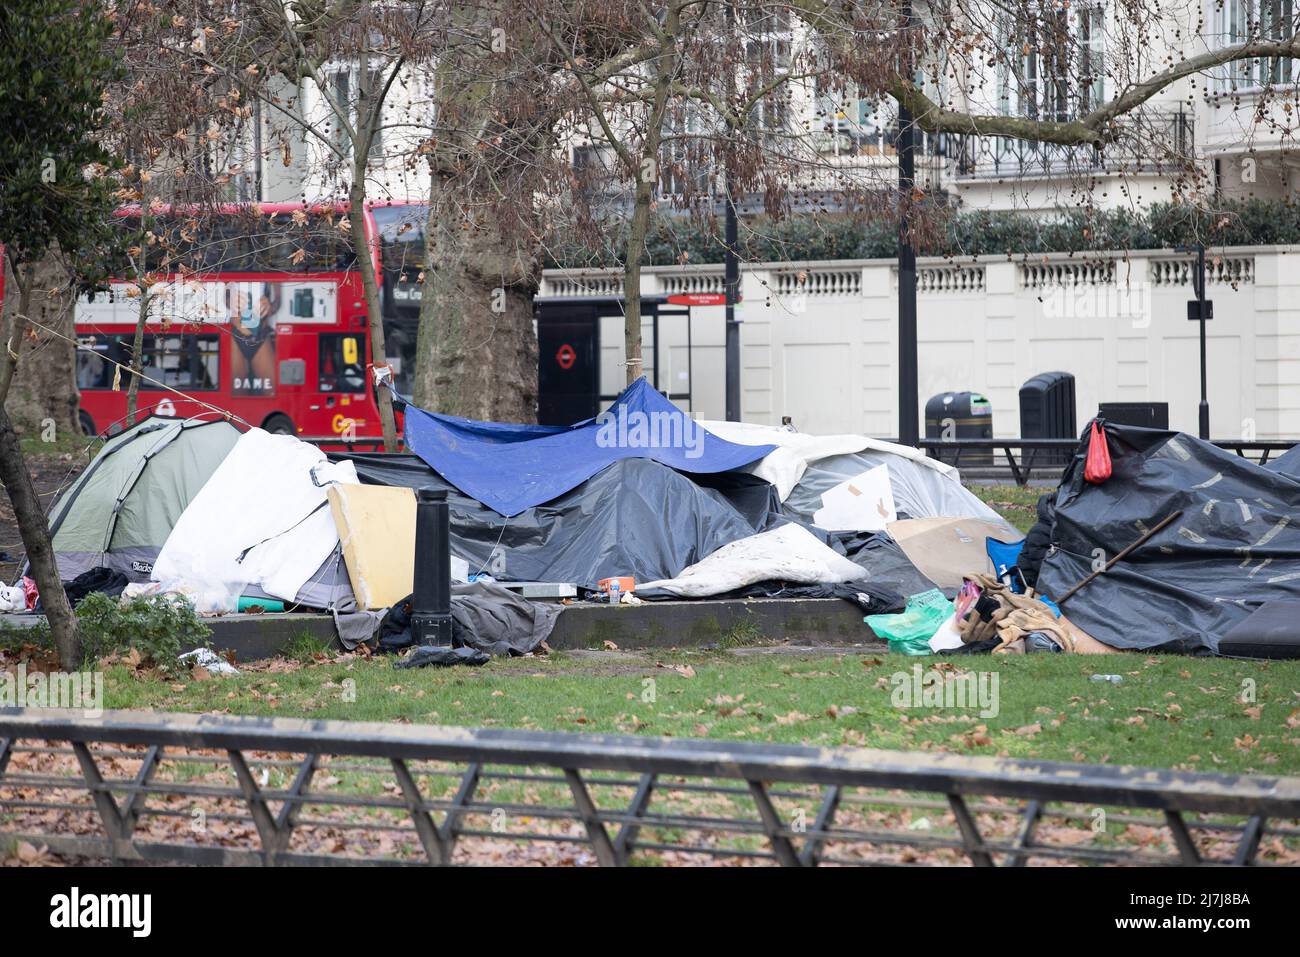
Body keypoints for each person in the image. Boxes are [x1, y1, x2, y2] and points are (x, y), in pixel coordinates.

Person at [229, 282, 279, 394]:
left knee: (274, 394)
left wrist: (270, 305)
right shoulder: (227, 266)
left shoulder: (269, 266)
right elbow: (220, 295)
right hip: (236, 334)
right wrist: (230, 301)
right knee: (236, 397)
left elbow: (278, 300)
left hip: (260, 335)